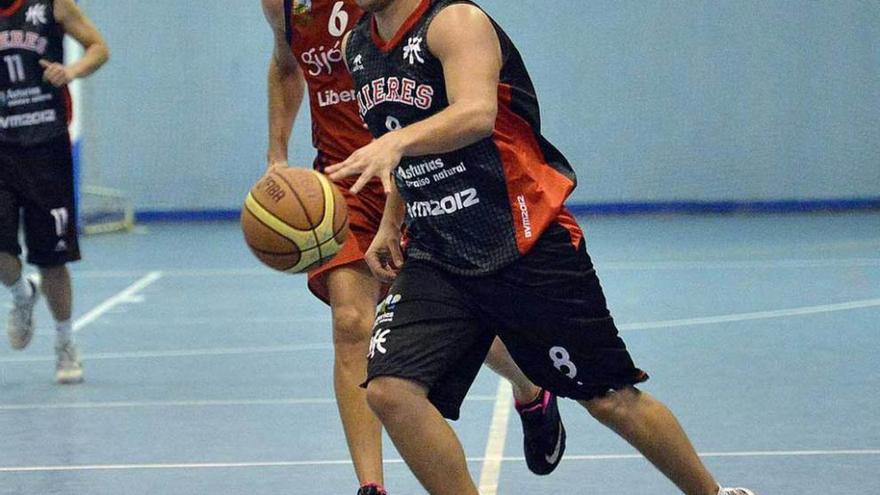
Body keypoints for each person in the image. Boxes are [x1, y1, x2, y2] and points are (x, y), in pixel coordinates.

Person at [326, 0, 757, 494]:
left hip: (522, 240)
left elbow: (475, 113)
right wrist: (390, 220)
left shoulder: (454, 22)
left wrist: (395, 146)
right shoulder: (356, 45)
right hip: (436, 250)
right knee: (390, 390)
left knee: (608, 399)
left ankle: (714, 492)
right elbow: (398, 137)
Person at [260, 1, 567, 493]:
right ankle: (370, 486)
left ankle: (531, 388)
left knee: (453, 314)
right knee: (351, 320)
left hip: (426, 170)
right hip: (344, 183)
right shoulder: (282, 5)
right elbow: (285, 66)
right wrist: (277, 155)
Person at [1, 0, 109, 384]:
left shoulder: (52, 5)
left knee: (52, 257)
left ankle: (65, 343)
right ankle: (19, 293)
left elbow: (99, 47)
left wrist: (71, 70)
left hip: (46, 144)